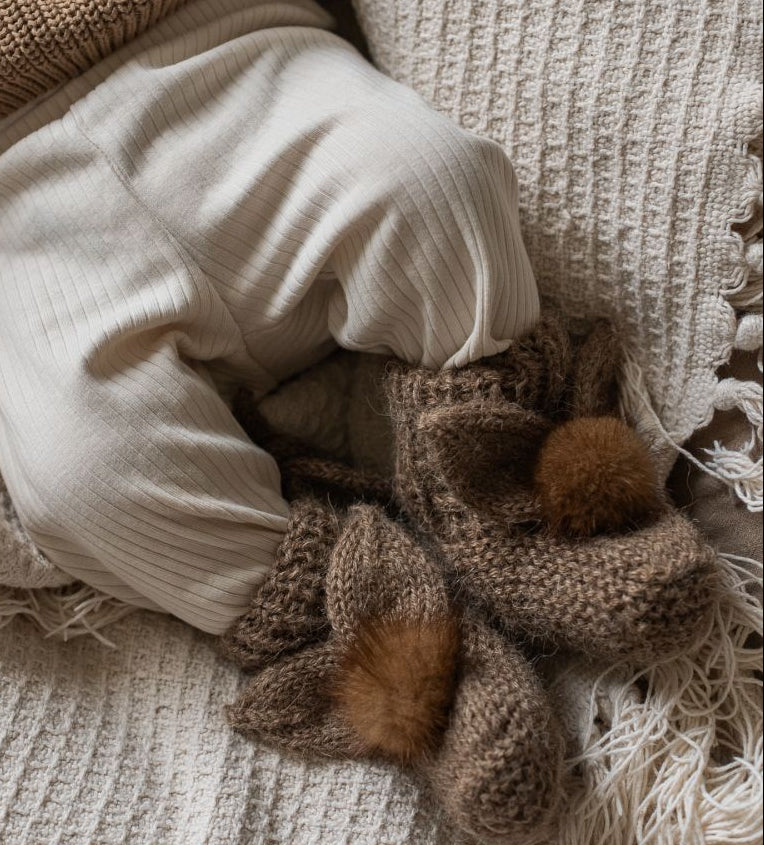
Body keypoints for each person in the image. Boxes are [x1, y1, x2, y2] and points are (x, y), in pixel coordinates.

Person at [0, 0, 539, 635]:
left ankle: (516, 470)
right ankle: (348, 630)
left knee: (435, 181)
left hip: (233, 51)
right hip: (22, 214)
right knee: (81, 474)